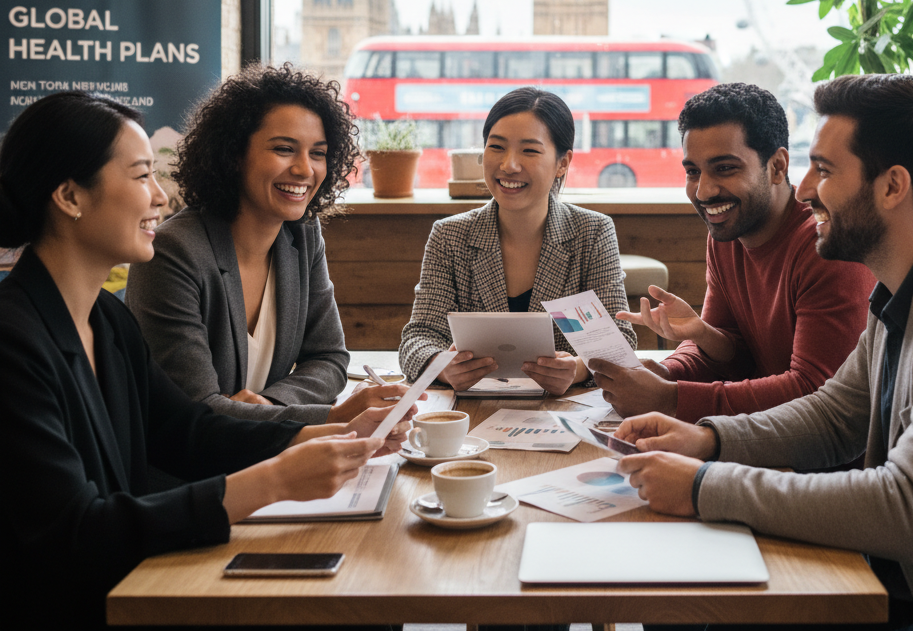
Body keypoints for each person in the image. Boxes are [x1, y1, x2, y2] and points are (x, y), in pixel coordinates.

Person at [616, 74, 913, 631]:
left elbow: (909, 512)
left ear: (892, 186)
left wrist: (704, 483)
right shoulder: (904, 289)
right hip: (890, 575)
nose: (805, 191)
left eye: (825, 170)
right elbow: (834, 414)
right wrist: (707, 438)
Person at [0, 92, 403, 629]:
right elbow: (78, 534)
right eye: (142, 176)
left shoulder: (106, 321)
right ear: (70, 195)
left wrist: (322, 434)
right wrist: (275, 480)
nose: (161, 198)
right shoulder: (12, 341)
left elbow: (186, 430)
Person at [127, 64, 400, 424]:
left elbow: (330, 359)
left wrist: (271, 404)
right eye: (285, 149)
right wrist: (332, 416)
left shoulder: (302, 234)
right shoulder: (173, 252)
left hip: (269, 455)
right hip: (190, 473)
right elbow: (197, 413)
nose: (305, 169)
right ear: (234, 155)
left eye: (318, 153)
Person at [591, 82, 875, 420]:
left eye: (725, 168)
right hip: (758, 443)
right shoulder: (727, 234)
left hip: (824, 466)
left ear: (778, 167)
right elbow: (731, 354)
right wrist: (665, 372)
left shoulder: (826, 246)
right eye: (692, 171)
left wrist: (672, 398)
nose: (704, 190)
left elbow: (815, 390)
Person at [399, 87, 636, 394]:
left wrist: (576, 370)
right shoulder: (450, 236)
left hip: (560, 413)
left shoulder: (592, 233)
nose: (509, 165)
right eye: (496, 147)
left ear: (562, 163)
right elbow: (418, 337)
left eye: (529, 150)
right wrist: (442, 367)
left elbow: (619, 342)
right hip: (471, 418)